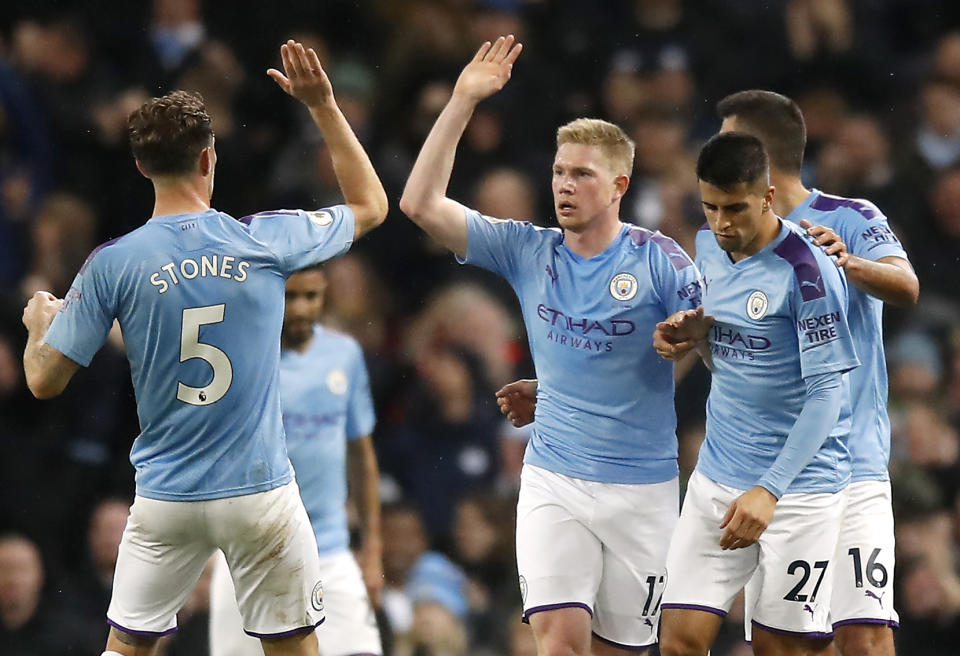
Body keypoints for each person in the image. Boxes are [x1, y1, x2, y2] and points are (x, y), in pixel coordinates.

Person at [20, 39, 388, 656]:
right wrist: (323, 106)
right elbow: (370, 205)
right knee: (294, 647)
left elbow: (43, 381)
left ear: (140, 167)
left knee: (128, 648)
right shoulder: (263, 239)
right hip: (260, 491)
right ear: (209, 159)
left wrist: (38, 325)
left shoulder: (114, 263)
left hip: (167, 495)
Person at [399, 35, 703, 655]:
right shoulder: (528, 249)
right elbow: (420, 204)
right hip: (553, 478)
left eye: (582, 174)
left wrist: (690, 339)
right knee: (559, 641)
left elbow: (715, 336)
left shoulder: (660, 260)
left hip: (642, 489)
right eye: (559, 171)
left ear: (619, 185)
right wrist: (462, 101)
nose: (565, 184)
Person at [714, 90, 918, 656]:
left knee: (866, 633)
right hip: (772, 472)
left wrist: (847, 263)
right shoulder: (731, 238)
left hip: (852, 465)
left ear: (757, 154)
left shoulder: (850, 217)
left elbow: (907, 286)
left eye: (728, 141)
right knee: (784, 643)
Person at [653, 131, 859, 656]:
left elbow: (826, 396)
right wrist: (695, 338)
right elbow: (730, 357)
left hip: (799, 491)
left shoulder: (808, 273)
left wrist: (769, 490)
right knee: (677, 640)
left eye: (736, 208)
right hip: (719, 479)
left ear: (767, 197)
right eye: (711, 206)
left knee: (779, 650)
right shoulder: (705, 246)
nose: (722, 222)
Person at [208, 264, 384, 656]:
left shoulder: (345, 355)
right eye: (290, 297)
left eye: (312, 296)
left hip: (330, 548)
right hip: (248, 549)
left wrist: (372, 550)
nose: (302, 308)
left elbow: (362, 455)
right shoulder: (240, 359)